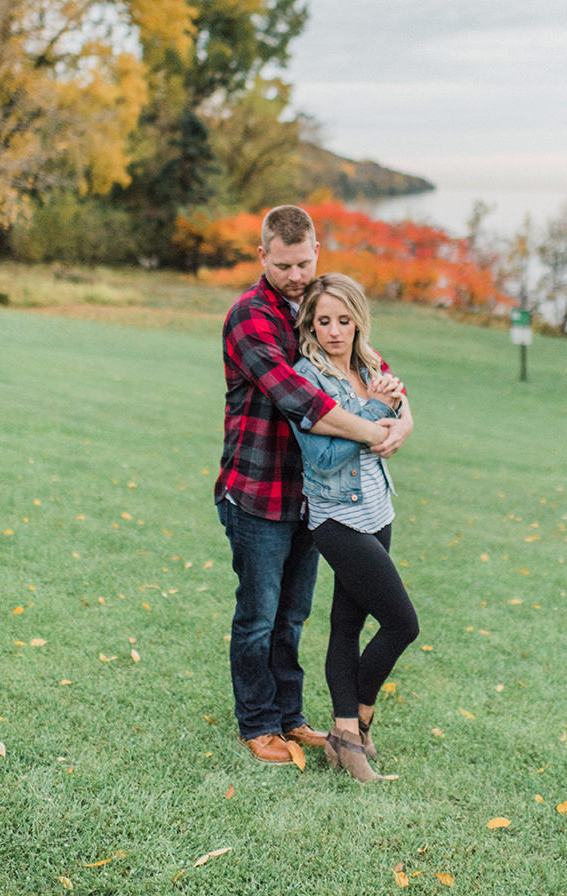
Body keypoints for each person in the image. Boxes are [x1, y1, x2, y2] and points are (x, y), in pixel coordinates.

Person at [215, 206, 413, 765]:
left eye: (304, 262)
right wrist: (376, 421)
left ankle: (291, 717)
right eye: (284, 266)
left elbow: (377, 373)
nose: (297, 275)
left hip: (312, 497)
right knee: (258, 616)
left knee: (294, 614)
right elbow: (303, 402)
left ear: (317, 251)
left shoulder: (320, 306)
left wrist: (401, 422)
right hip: (258, 490)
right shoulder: (249, 317)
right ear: (262, 257)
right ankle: (257, 725)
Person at [290, 273, 419, 782]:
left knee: (348, 622)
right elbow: (321, 459)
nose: (334, 331)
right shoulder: (307, 377)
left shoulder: (370, 362)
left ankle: (346, 736)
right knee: (402, 624)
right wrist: (375, 412)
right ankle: (356, 726)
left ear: (358, 320)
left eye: (344, 320)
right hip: (336, 516)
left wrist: (400, 418)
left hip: (377, 510)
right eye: (323, 321)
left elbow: (400, 408)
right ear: (311, 325)